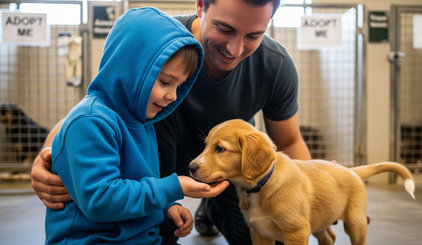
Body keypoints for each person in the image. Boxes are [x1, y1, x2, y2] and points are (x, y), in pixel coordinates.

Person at [32, 0, 311, 244]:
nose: (235, 48)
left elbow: (289, 141)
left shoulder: (275, 65)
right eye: (225, 29)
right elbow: (98, 106)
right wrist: (48, 158)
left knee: (268, 235)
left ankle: (210, 210)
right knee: (162, 231)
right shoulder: (158, 45)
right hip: (159, 173)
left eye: (253, 35)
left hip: (227, 175)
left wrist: (311, 187)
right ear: (201, 5)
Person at [43, 7, 229, 244]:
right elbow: (100, 200)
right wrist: (172, 188)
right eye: (164, 82)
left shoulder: (144, 121)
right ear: (130, 69)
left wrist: (166, 207)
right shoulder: (90, 122)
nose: (173, 96)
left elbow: (137, 182)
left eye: (178, 86)